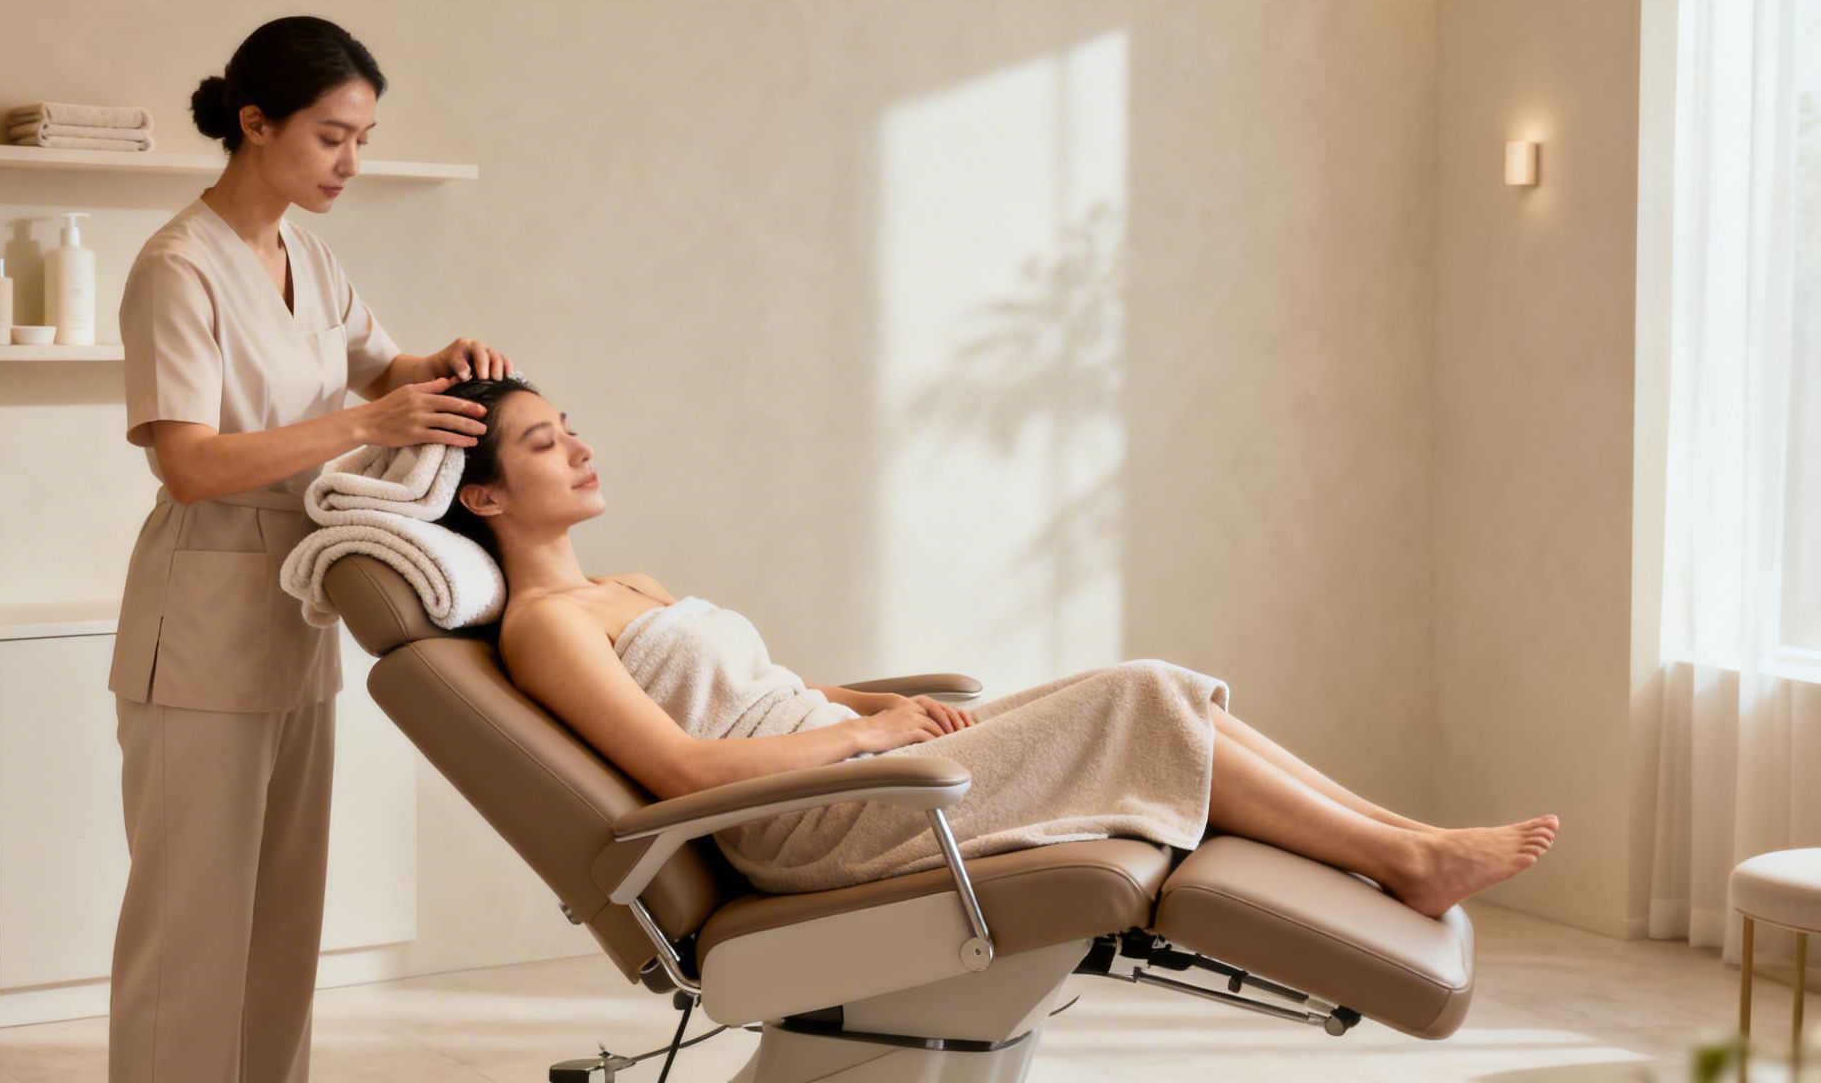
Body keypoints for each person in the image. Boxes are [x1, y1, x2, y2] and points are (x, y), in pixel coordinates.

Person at [434, 375, 1559, 919]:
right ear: (481, 492)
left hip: (853, 764)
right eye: (542, 443)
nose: (579, 448)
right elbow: (680, 771)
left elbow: (769, 689)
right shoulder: (545, 629)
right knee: (1141, 694)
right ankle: (1408, 861)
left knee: (1157, 689)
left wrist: (871, 703)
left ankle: (1406, 843)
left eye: (567, 425)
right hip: (804, 825)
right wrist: (871, 732)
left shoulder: (627, 584)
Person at [107, 16, 511, 1082]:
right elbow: (187, 463)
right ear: (256, 123)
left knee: (282, 920)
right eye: (332, 136)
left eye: (363, 137)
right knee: (189, 927)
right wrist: (363, 428)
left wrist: (446, 361)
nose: (351, 162)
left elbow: (386, 369)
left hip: (295, 616)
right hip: (196, 631)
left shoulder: (308, 256)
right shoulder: (176, 268)